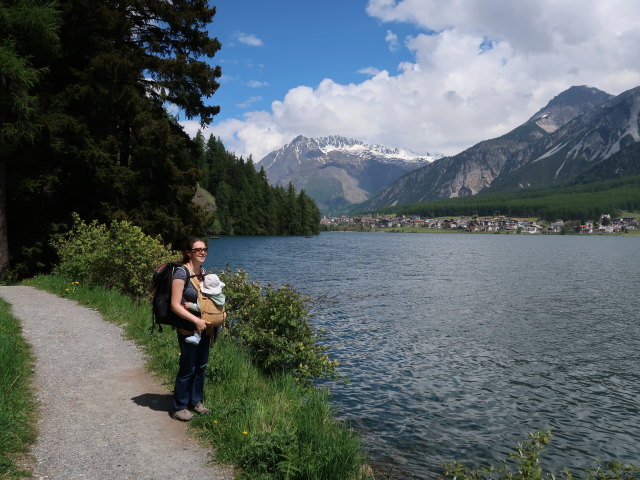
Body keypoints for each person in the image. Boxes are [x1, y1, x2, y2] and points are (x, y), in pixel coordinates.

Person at [170, 237, 225, 422]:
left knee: (201, 367)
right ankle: (179, 406)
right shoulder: (181, 273)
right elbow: (175, 305)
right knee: (188, 367)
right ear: (188, 252)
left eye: (204, 249)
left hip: (204, 330)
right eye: (197, 249)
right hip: (188, 329)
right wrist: (196, 320)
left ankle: (196, 402)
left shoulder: (203, 272)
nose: (202, 252)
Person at [183, 273, 226, 345]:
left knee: (199, 318)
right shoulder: (220, 296)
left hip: (208, 319)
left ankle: (197, 336)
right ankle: (218, 329)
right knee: (217, 322)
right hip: (220, 319)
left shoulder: (206, 297)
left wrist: (190, 305)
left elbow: (200, 308)